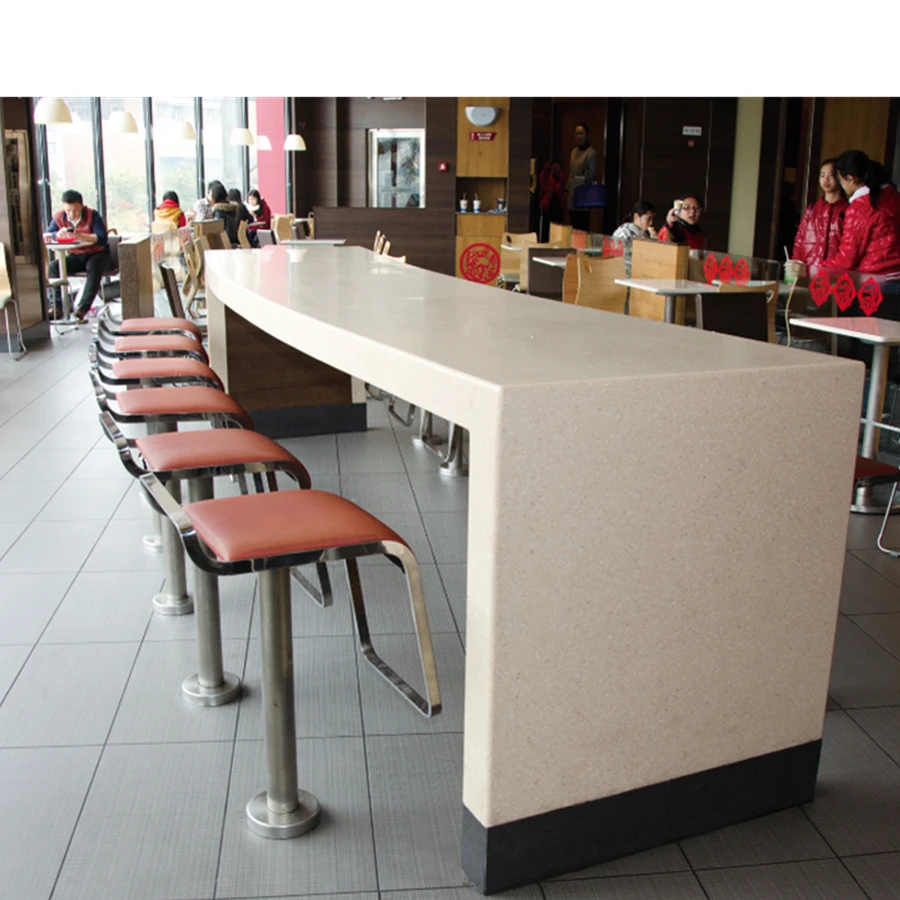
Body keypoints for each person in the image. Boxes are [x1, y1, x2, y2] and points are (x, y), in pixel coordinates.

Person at [43, 189, 111, 323]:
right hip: (77, 255)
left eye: (75, 210)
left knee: (94, 265)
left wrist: (80, 235)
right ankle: (56, 307)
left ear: (82, 206)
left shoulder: (93, 215)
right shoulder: (59, 217)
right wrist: (58, 234)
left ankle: (82, 308)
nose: (72, 214)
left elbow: (102, 238)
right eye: (68, 210)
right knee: (53, 267)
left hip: (98, 254)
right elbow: (47, 235)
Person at [791, 159, 848, 267]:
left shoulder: (847, 209)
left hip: (835, 274)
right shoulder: (812, 209)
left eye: (831, 175)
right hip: (810, 271)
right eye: (822, 175)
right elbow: (799, 242)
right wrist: (796, 265)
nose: (826, 179)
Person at [566, 123, 598, 232]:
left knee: (582, 227)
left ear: (587, 135)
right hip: (572, 193)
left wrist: (583, 172)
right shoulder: (574, 151)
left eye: (581, 133)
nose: (578, 136)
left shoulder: (591, 153)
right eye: (576, 133)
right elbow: (571, 172)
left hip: (583, 194)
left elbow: (592, 175)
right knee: (573, 226)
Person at [612, 201, 657, 276]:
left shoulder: (643, 234)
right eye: (648, 219)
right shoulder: (625, 234)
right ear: (637, 216)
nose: (651, 223)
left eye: (652, 219)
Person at [539, 160, 566, 242]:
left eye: (558, 168)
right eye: (554, 167)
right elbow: (543, 179)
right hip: (547, 205)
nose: (556, 169)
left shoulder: (561, 177)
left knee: (557, 228)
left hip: (557, 206)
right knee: (546, 229)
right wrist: (547, 169)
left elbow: (562, 186)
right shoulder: (547, 177)